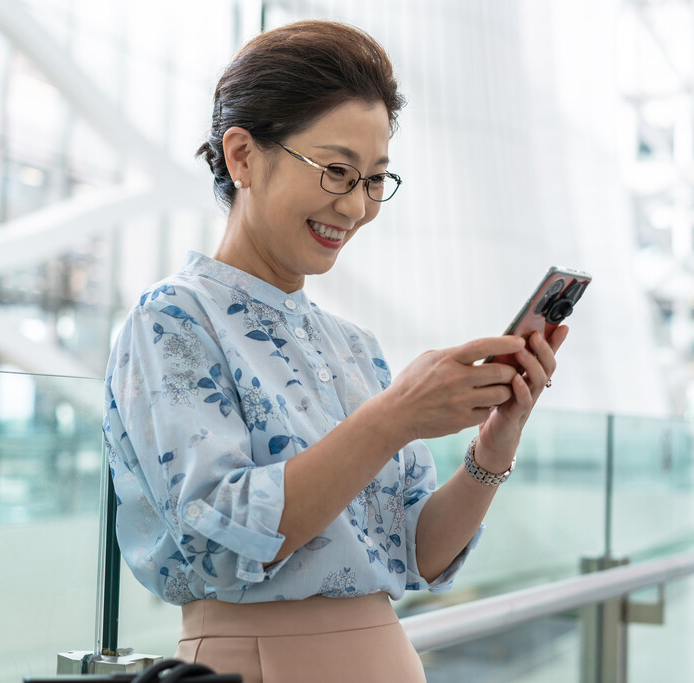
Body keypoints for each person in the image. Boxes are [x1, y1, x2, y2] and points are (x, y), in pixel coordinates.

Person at [103, 20, 569, 683]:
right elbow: (215, 540)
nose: (356, 206)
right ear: (241, 157)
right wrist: (392, 418)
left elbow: (418, 553)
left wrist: (495, 442)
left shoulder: (355, 347)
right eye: (337, 171)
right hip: (253, 664)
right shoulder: (172, 321)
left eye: (375, 179)